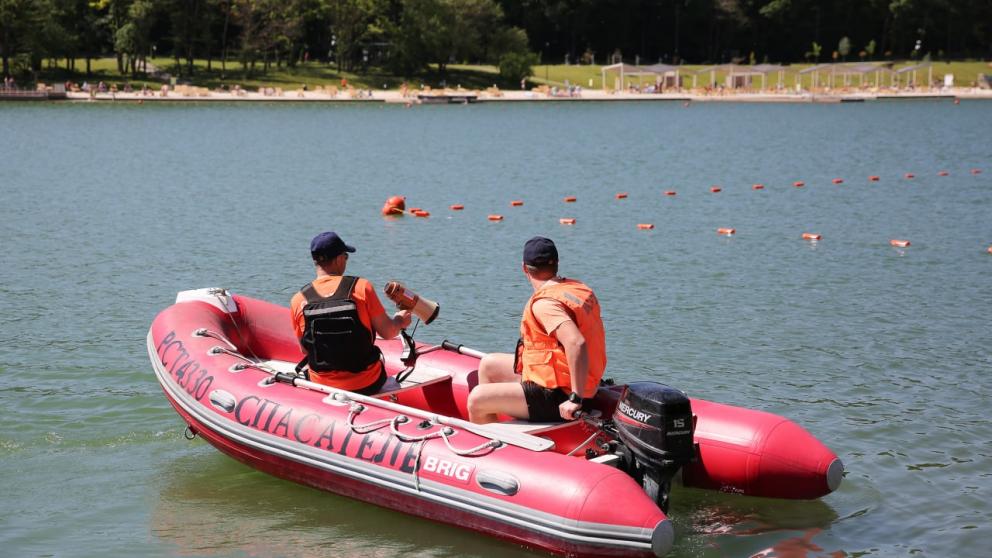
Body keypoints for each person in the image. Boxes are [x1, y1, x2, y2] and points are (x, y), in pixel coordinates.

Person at [467, 237, 606, 424]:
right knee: (488, 364)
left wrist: (576, 398)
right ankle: (500, 432)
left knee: (477, 399)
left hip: (563, 395)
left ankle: (493, 445)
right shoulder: (576, 289)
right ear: (557, 263)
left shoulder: (545, 304)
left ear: (524, 267)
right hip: (569, 379)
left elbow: (576, 342)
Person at [290, 231, 411, 394]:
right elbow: (388, 332)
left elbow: (305, 350)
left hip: (321, 384)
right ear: (339, 258)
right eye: (346, 256)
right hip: (368, 383)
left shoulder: (298, 300)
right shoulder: (362, 287)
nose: (346, 261)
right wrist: (400, 321)